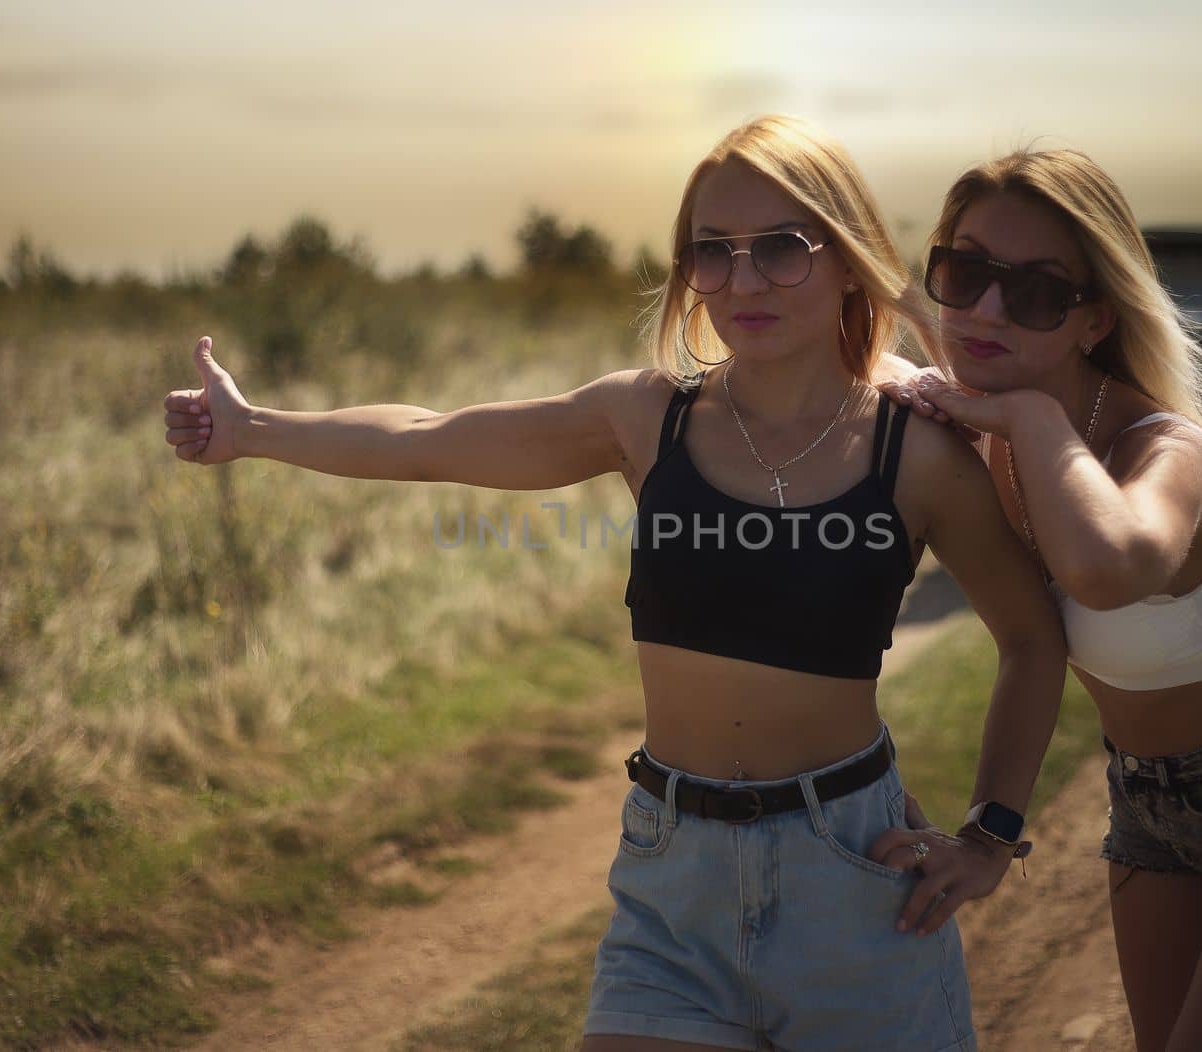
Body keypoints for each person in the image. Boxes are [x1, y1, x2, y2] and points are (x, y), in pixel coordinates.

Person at [164, 116, 1067, 1051]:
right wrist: (255, 428)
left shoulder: (914, 450)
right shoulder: (647, 419)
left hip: (852, 880)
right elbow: (428, 437)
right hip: (671, 884)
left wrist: (991, 835)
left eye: (781, 249)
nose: (742, 280)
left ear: (847, 259)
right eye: (711, 253)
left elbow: (1033, 640)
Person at [873, 148, 1202, 1052]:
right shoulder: (968, 414)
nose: (986, 310)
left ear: (1094, 321)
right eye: (964, 272)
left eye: (1036, 292)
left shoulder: (1167, 450)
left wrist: (1030, 420)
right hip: (1147, 803)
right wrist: (988, 836)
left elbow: (1111, 567)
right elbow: (1028, 647)